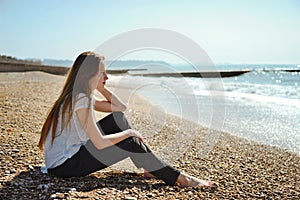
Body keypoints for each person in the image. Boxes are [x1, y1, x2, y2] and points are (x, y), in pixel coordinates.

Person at [38, 51, 215, 188]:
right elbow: (99, 143)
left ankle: (150, 167)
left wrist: (101, 87)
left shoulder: (80, 95)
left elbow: (119, 108)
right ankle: (181, 178)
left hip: (67, 157)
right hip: (64, 166)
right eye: (102, 73)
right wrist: (128, 133)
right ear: (87, 74)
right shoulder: (81, 100)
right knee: (130, 141)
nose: (106, 77)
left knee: (118, 119)